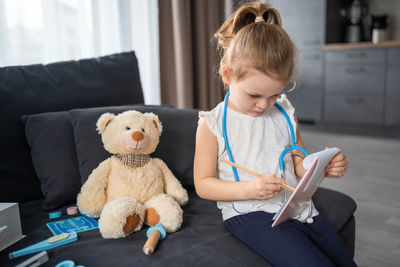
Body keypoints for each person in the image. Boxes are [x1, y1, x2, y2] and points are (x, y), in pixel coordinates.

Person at [193, 2, 357, 266]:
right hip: (250, 213)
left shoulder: (285, 113)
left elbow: (299, 165)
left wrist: (322, 166)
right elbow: (202, 184)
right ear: (227, 74)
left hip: (298, 208)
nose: (263, 104)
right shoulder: (211, 124)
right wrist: (249, 189)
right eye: (254, 95)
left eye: (273, 95)